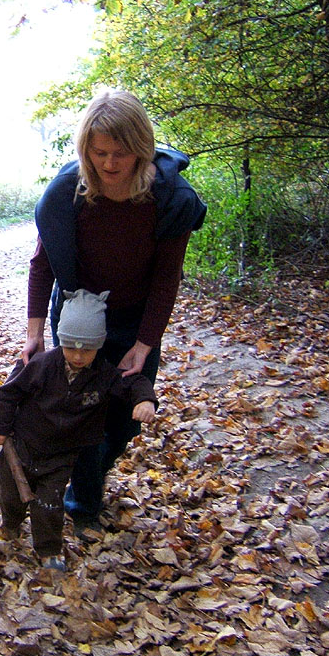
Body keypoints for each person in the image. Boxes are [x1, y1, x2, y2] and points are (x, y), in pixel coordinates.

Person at [23, 88, 206, 536]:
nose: (108, 163)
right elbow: (42, 263)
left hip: (135, 317)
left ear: (141, 148)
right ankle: (83, 503)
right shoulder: (66, 194)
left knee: (126, 418)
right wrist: (34, 333)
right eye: (98, 152)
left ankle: (88, 467)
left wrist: (144, 344)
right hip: (78, 316)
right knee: (85, 410)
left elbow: (167, 276)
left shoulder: (170, 200)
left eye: (120, 153)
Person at [0, 289, 157, 571]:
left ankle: (48, 549)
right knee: (9, 493)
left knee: (49, 504)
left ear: (99, 346)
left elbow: (131, 382)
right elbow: (9, 393)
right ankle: (11, 524)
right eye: (71, 348)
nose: (78, 356)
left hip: (61, 456)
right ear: (62, 341)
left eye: (87, 350)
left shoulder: (102, 375)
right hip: (22, 447)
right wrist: (2, 427)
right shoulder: (42, 365)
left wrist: (145, 399)